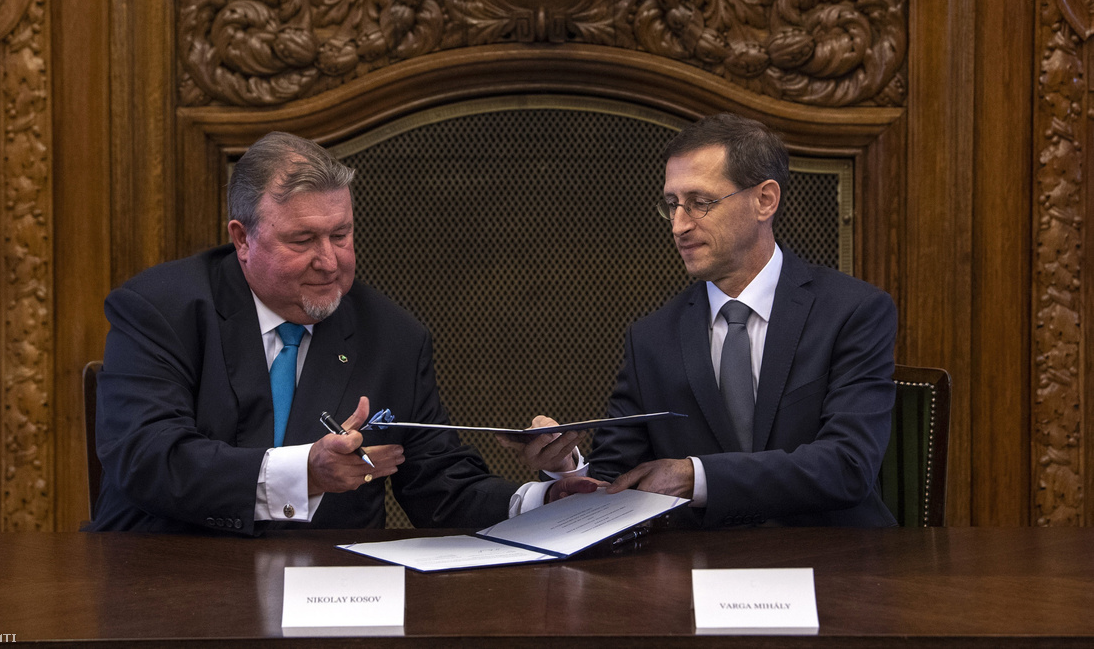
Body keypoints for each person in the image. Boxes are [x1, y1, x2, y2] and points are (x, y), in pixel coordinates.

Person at [88, 131, 592, 533]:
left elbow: (442, 491)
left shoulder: (392, 336)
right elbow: (146, 457)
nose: (329, 262)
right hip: (165, 583)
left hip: (329, 601)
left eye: (341, 235)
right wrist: (304, 472)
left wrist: (547, 497)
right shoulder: (160, 309)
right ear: (242, 239)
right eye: (303, 239)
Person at [501, 112, 899, 527]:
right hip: (696, 570)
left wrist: (696, 477)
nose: (678, 225)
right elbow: (615, 480)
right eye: (671, 205)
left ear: (765, 199)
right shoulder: (651, 338)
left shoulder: (853, 311)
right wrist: (568, 465)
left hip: (835, 567)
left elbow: (849, 464)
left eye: (699, 203)